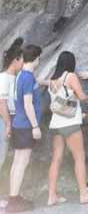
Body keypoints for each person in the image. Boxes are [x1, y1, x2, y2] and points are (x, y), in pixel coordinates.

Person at [46, 51, 88, 206]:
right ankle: (84, 194)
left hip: (56, 124)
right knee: (79, 157)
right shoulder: (70, 76)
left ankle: (51, 196)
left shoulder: (52, 80)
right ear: (71, 63)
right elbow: (81, 95)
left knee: (56, 159)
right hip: (70, 123)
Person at [6, 45, 42, 213]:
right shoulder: (27, 77)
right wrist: (35, 126)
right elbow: (28, 104)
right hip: (25, 125)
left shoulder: (22, 75)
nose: (39, 60)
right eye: (39, 58)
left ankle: (14, 196)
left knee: (17, 161)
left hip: (18, 124)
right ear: (35, 58)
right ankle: (13, 201)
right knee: (22, 162)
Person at [0, 40, 24, 171]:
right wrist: (8, 123)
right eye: (22, 61)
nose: (23, 64)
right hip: (4, 118)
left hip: (12, 117)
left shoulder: (16, 78)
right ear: (15, 60)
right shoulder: (3, 77)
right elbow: (1, 103)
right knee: (1, 152)